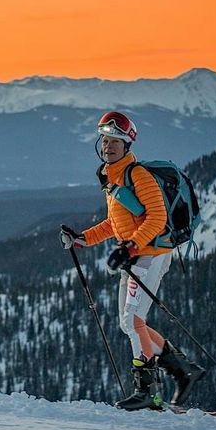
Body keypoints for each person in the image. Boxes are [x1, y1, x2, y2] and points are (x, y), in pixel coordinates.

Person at [59, 110, 204, 410]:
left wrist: (131, 247)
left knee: (133, 320)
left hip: (151, 255)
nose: (108, 145)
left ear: (127, 144)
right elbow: (116, 224)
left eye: (115, 140)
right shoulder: (114, 179)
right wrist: (82, 238)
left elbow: (158, 220)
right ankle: (182, 370)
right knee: (130, 323)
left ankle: (148, 392)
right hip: (136, 255)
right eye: (104, 140)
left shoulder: (137, 175)